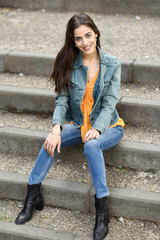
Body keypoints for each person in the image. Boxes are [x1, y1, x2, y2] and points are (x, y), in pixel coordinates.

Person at [15, 13, 125, 240]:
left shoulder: (112, 64)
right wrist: (56, 128)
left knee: (92, 146)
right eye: (78, 39)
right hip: (78, 124)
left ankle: (102, 210)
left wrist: (99, 128)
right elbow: (62, 101)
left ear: (96, 33)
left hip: (109, 126)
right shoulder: (68, 63)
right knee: (50, 140)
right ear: (72, 41)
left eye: (88, 35)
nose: (85, 42)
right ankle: (32, 195)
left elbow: (109, 103)